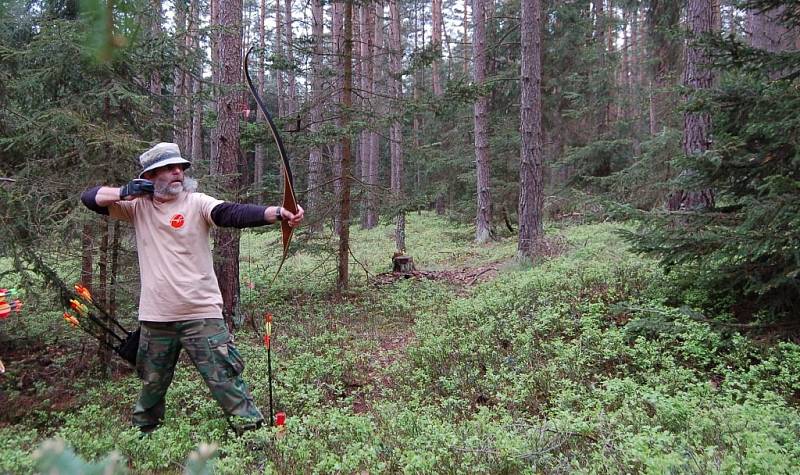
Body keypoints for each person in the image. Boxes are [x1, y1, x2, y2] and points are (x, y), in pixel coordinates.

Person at [80, 142, 304, 434]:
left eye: (180, 168)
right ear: (149, 176)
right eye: (169, 168)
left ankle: (252, 436)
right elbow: (89, 198)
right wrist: (125, 192)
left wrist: (277, 212)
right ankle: (144, 436)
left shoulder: (196, 202)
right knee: (151, 385)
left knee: (225, 379)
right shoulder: (135, 207)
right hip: (156, 318)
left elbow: (230, 213)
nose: (178, 173)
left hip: (200, 313)